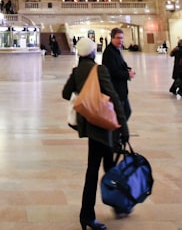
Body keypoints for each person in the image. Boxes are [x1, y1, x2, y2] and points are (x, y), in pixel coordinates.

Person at [62, 36, 130, 230]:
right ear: (92, 53)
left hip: (89, 126)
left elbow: (66, 94)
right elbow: (114, 98)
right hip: (104, 125)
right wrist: (124, 127)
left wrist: (82, 89)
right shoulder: (99, 70)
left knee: (108, 167)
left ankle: (118, 204)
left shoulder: (77, 72)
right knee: (95, 172)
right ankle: (87, 216)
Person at [101, 27, 135, 120]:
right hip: (115, 90)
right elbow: (112, 72)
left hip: (121, 90)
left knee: (125, 113)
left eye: (122, 38)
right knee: (121, 115)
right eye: (118, 38)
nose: (120, 40)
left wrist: (127, 69)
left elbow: (119, 65)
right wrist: (127, 75)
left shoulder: (116, 50)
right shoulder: (109, 52)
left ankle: (118, 132)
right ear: (112, 38)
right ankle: (117, 133)